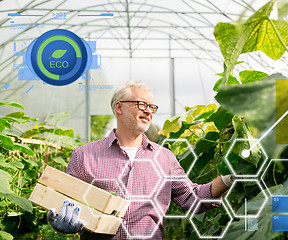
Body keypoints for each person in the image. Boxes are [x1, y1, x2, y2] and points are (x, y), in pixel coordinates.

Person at [47, 82, 234, 239]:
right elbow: (64, 202)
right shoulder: (84, 155)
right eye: (141, 105)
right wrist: (60, 220)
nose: (148, 112)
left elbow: (192, 198)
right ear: (119, 107)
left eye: (152, 107)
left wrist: (230, 177)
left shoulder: (164, 158)